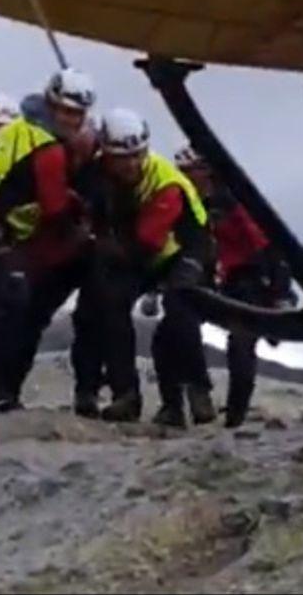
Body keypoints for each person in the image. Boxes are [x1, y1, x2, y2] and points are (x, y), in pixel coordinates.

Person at [0, 68, 97, 412]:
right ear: (51, 104)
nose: (71, 120)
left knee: (1, 303)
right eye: (65, 111)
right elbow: (54, 209)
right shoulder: (47, 147)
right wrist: (82, 232)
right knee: (10, 298)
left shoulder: (24, 129)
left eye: (77, 114)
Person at [81, 109, 216, 427]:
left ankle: (197, 393)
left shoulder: (165, 183)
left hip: (185, 250)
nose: (131, 164)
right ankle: (125, 395)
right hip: (137, 250)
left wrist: (95, 241)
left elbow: (144, 245)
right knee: (109, 305)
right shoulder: (97, 174)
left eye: (137, 155)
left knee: (179, 313)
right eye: (121, 157)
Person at [175, 146, 293, 428]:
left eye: (190, 172)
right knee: (177, 323)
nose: (185, 178)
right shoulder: (183, 202)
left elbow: (269, 245)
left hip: (246, 277)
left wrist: (278, 292)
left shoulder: (234, 202)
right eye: (183, 172)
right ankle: (193, 394)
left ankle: (235, 417)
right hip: (206, 273)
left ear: (207, 172)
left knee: (241, 341)